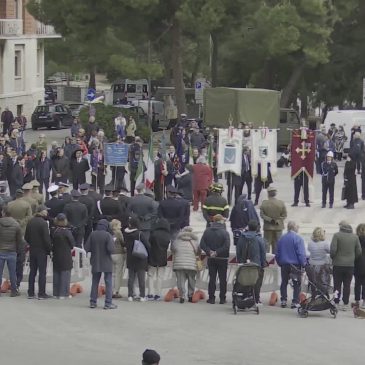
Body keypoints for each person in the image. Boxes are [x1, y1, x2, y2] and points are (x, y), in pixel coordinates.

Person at [85, 219, 117, 309]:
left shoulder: (92, 234)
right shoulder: (107, 235)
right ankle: (108, 303)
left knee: (95, 282)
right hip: (106, 261)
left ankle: (93, 302)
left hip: (95, 261)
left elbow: (87, 247)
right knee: (108, 282)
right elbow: (111, 249)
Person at [330, 220, 362, 311]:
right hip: (350, 265)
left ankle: (336, 301)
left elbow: (333, 250)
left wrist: (334, 258)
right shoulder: (355, 237)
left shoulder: (336, 235)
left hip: (338, 264)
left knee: (337, 285)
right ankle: (345, 303)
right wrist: (353, 258)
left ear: (341, 228)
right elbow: (359, 251)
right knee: (347, 285)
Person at [200, 214, 230, 304]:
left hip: (211, 258)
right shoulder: (225, 232)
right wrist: (217, 252)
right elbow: (226, 245)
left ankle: (211, 298)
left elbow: (202, 244)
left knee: (212, 278)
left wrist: (209, 252)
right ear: (221, 221)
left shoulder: (207, 231)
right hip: (222, 258)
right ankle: (222, 298)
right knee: (222, 279)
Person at [276, 221, 307, 308]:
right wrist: (303, 263)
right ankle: (295, 301)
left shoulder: (281, 238)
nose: (298, 229)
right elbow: (301, 253)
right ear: (294, 228)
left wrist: (279, 262)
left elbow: (277, 253)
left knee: (284, 282)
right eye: (297, 227)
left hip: (284, 264)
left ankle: (283, 300)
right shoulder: (298, 238)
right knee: (296, 283)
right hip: (295, 265)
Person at [25, 205, 52, 300]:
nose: (47, 212)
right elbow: (46, 239)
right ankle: (41, 293)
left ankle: (31, 293)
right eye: (46, 211)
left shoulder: (31, 221)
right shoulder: (43, 223)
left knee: (32, 271)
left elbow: (26, 237)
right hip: (42, 250)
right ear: (41, 211)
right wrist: (49, 250)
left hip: (32, 250)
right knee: (42, 272)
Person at [236, 220, 266, 303]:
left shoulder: (242, 238)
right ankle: (256, 298)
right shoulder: (259, 239)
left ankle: (244, 296)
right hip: (256, 264)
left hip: (244, 263)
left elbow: (238, 250)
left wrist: (239, 261)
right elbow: (263, 253)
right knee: (256, 282)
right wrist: (263, 264)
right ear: (257, 228)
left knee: (244, 280)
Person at [124, 216, 151, 302]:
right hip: (140, 258)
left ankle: (130, 295)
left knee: (131, 278)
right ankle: (142, 296)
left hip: (130, 257)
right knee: (141, 278)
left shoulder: (126, 233)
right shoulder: (140, 234)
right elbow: (147, 245)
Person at [172, 226, 200, 303]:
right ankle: (190, 296)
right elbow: (198, 251)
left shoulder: (177, 241)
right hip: (191, 264)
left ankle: (182, 296)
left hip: (179, 264)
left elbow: (173, 249)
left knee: (181, 281)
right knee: (191, 280)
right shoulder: (195, 241)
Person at [51, 213, 75, 299]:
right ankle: (63, 293)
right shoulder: (67, 232)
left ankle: (56, 293)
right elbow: (72, 244)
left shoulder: (54, 231)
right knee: (65, 273)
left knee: (56, 273)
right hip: (65, 254)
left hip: (56, 254)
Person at [0, 206, 22, 297]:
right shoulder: (16, 224)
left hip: (1, 250)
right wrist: (17, 249)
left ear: (3, 213)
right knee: (12, 272)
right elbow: (19, 240)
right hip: (12, 251)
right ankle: (14, 290)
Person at [147, 218, 171, 301]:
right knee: (160, 277)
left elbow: (149, 243)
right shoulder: (168, 235)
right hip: (162, 257)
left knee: (150, 275)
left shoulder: (153, 234)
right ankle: (158, 294)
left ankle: (150, 293)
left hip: (153, 256)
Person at [259, 186, 287, 253]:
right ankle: (276, 260)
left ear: (268, 194)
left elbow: (262, 215)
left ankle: (266, 260)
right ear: (275, 193)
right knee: (277, 245)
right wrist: (277, 221)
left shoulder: (264, 203)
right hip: (278, 227)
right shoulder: (281, 203)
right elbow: (284, 215)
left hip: (268, 227)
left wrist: (270, 220)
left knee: (266, 244)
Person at [307, 227, 331, 296]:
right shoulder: (325, 243)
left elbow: (309, 250)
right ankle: (323, 295)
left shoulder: (310, 243)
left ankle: (313, 295)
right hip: (322, 265)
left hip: (312, 265)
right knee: (324, 281)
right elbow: (330, 251)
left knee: (313, 282)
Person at [110, 219, 126, 299]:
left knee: (112, 274)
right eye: (119, 225)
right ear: (116, 225)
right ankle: (116, 291)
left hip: (111, 254)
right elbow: (123, 243)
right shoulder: (119, 233)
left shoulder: (109, 232)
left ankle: (111, 290)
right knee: (118, 274)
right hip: (119, 254)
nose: (121, 226)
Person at [355, 224, 365, 308]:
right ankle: (364, 301)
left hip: (357, 263)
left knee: (357, 283)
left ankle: (357, 301)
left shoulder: (356, 238)